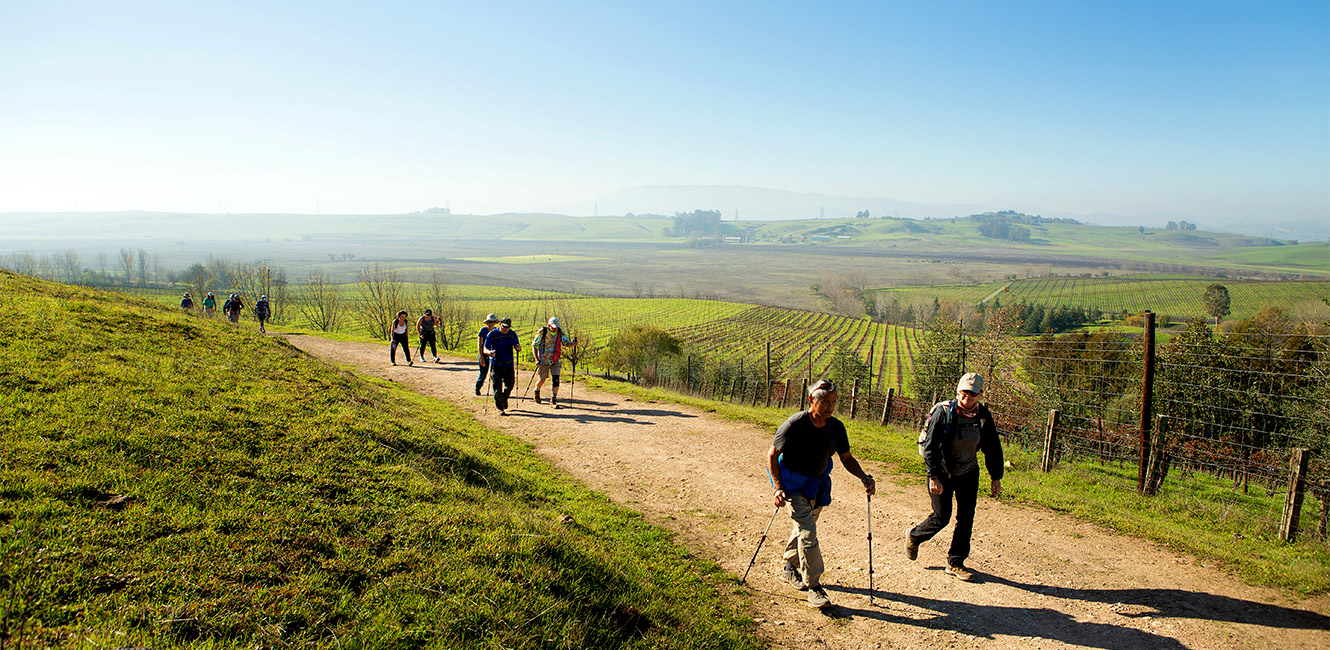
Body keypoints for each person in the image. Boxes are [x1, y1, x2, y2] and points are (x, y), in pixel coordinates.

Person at [767, 379, 876, 609]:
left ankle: (789, 568)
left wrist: (864, 477)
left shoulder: (836, 428)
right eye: (825, 402)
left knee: (803, 529)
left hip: (817, 485)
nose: (830, 407)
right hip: (792, 485)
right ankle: (814, 587)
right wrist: (777, 487)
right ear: (811, 400)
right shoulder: (794, 424)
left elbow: (846, 458)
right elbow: (772, 455)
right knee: (807, 531)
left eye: (833, 402)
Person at [906, 372, 1004, 582]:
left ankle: (956, 562)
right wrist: (933, 476)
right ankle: (914, 536)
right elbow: (930, 446)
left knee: (966, 517)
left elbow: (992, 447)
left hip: (968, 472)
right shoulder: (944, 412)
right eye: (964, 392)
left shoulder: (983, 416)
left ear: (980, 395)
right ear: (958, 391)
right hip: (941, 472)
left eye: (973, 393)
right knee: (942, 517)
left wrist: (995, 477)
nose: (967, 396)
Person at [530, 316, 576, 408]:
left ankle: (553, 400)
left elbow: (566, 343)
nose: (555, 329)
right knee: (542, 379)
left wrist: (572, 344)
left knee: (556, 379)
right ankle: (537, 391)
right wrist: (537, 359)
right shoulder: (542, 332)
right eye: (553, 327)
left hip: (555, 359)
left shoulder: (560, 332)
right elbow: (534, 345)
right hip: (543, 360)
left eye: (556, 327)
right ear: (548, 325)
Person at [482, 317, 521, 414]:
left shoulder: (512, 334)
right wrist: (489, 352)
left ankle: (504, 398)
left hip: (509, 364)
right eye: (504, 327)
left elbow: (517, 345)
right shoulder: (492, 334)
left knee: (510, 385)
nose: (505, 329)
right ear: (499, 325)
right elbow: (485, 349)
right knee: (497, 387)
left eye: (507, 327)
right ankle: (500, 408)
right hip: (496, 364)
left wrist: (518, 348)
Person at [475, 314, 499, 395]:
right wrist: (481, 357)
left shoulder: (496, 331)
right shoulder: (483, 330)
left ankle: (494, 390)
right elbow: (480, 344)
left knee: (494, 374)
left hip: (492, 356)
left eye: (493, 322)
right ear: (487, 323)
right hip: (484, 355)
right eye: (490, 322)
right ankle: (478, 388)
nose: (492, 323)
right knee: (483, 374)